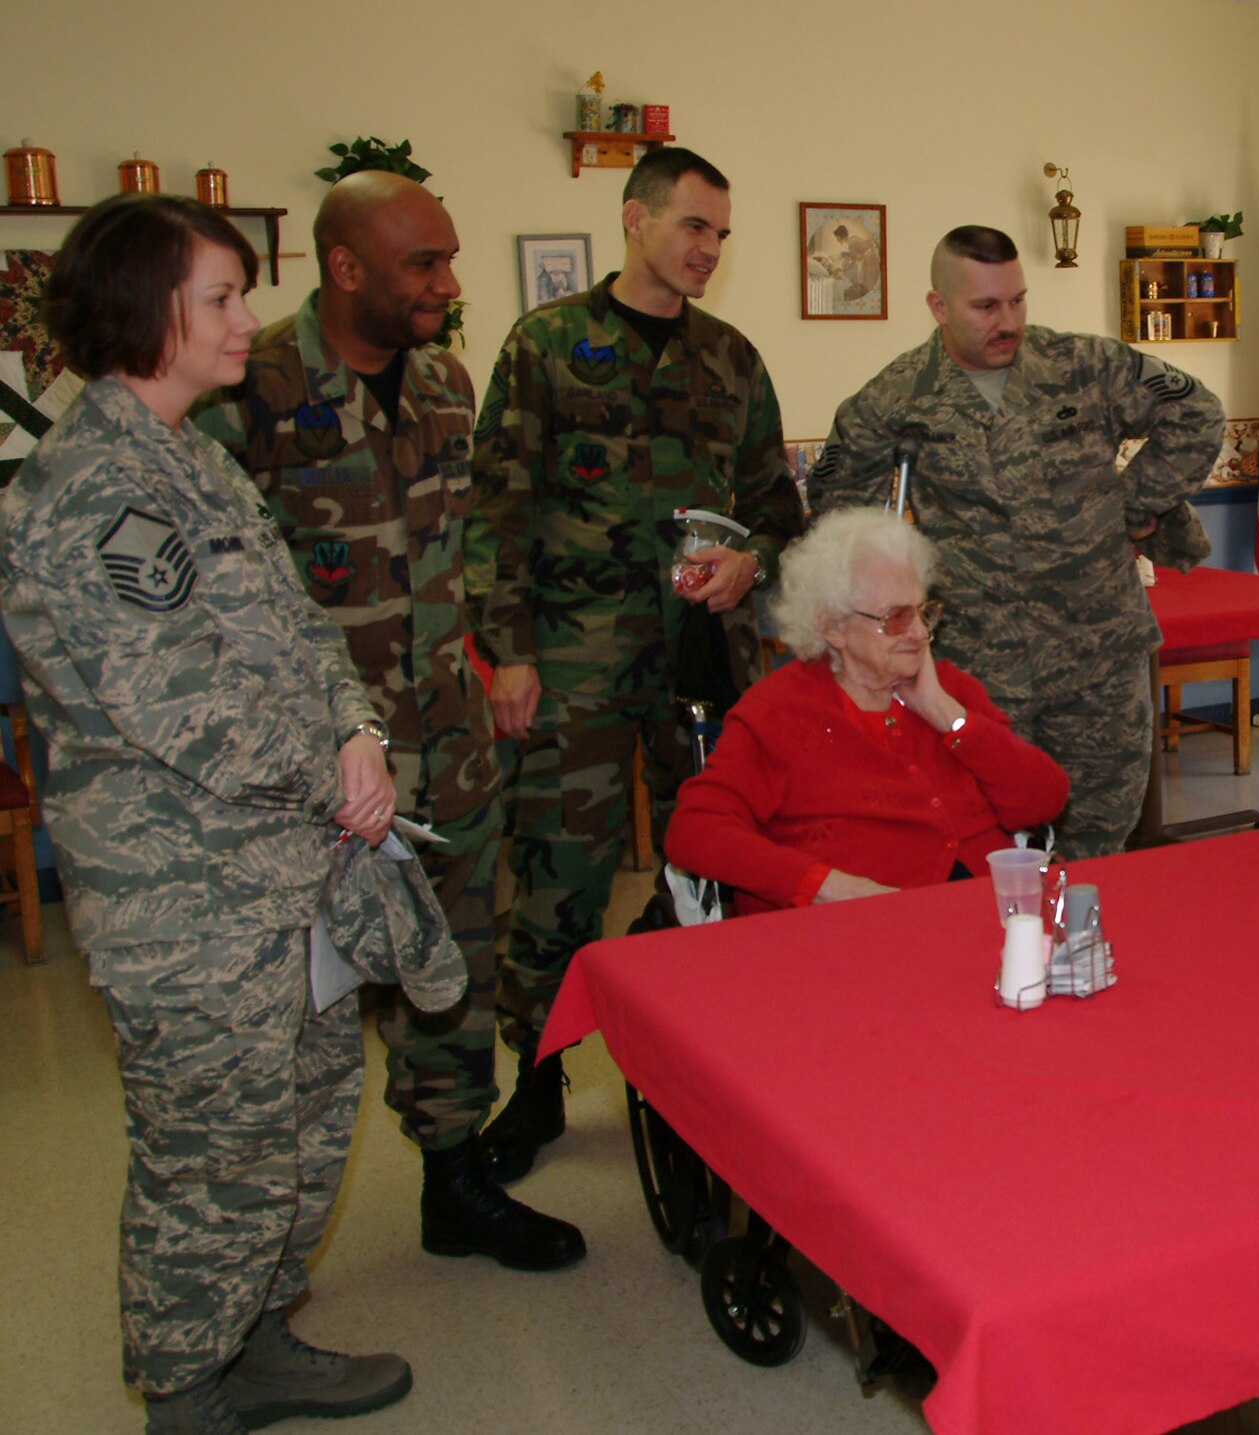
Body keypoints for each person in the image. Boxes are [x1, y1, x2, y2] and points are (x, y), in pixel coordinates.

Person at [0, 194, 408, 1433]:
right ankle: (185, 1386)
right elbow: (184, 708)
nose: (247, 321)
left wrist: (357, 729)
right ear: (143, 311)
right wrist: (338, 770)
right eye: (221, 298)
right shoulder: (91, 489)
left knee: (302, 1118)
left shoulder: (201, 458)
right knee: (212, 1155)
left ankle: (259, 1336)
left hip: (291, 870)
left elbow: (299, 637)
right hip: (187, 901)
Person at [192, 173, 583, 1270]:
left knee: (451, 965)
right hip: (310, 764)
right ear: (346, 266)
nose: (447, 285)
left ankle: (452, 1178)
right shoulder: (247, 390)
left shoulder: (449, 386)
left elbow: (480, 541)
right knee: (298, 1006)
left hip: (447, 744)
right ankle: (255, 1253)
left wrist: (504, 652)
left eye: (451, 260)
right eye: (425, 263)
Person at [466, 145, 805, 1181]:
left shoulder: (733, 359)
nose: (707, 248)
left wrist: (752, 563)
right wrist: (509, 656)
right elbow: (496, 508)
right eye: (692, 226)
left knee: (707, 867)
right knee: (558, 879)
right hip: (574, 661)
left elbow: (778, 510)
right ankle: (535, 1077)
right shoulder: (549, 345)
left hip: (701, 666)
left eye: (720, 233)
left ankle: (692, 1060)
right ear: (635, 219)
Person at [810, 225, 1224, 859]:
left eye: (1017, 301)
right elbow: (837, 504)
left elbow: (1197, 412)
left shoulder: (1083, 366)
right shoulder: (896, 398)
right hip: (981, 667)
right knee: (987, 844)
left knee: (1098, 846)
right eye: (985, 307)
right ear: (939, 306)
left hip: (1100, 658)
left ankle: (1083, 956)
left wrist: (1133, 506)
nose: (1007, 321)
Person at [665, 508, 1069, 910]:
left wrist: (947, 714)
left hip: (987, 916)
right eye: (895, 618)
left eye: (923, 611)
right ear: (832, 627)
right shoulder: (779, 712)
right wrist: (828, 886)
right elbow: (695, 831)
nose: (919, 633)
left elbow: (1044, 800)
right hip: (860, 937)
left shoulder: (950, 688)